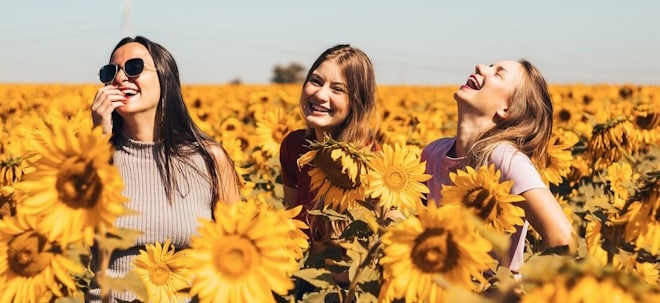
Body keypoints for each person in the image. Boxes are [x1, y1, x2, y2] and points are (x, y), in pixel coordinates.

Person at [87, 36, 241, 302]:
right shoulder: (94, 157)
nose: (120, 78)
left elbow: (235, 249)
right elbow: (73, 228)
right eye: (111, 72)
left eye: (134, 67)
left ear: (165, 77)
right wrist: (98, 140)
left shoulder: (209, 159)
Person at [421, 59, 574, 273]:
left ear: (507, 109)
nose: (480, 67)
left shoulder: (505, 159)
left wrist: (526, 286)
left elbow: (563, 238)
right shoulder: (433, 153)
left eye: (498, 73)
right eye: (489, 66)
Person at [279, 44, 380, 246]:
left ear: (356, 102)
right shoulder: (294, 146)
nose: (320, 95)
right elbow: (292, 217)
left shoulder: (370, 157)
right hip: (300, 267)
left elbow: (373, 232)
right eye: (315, 81)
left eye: (337, 89)